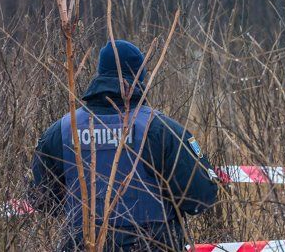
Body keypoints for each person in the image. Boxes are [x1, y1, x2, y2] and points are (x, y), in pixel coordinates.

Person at [30, 40, 218, 251]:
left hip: (81, 242)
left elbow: (41, 198)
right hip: (152, 244)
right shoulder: (160, 129)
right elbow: (201, 197)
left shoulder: (62, 131)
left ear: (100, 74)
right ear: (140, 76)